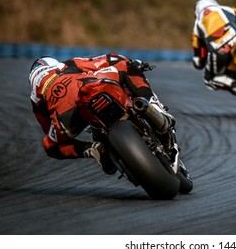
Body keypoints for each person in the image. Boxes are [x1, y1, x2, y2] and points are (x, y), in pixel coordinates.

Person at [29, 53, 174, 175]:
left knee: (50, 147)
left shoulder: (35, 98)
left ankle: (92, 150)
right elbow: (107, 59)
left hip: (64, 118)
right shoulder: (63, 66)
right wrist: (134, 63)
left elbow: (47, 129)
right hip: (87, 87)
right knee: (126, 65)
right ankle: (153, 105)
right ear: (51, 63)